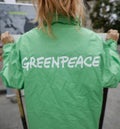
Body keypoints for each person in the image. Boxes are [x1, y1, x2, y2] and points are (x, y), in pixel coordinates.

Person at [0, 0, 120, 129]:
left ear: (41, 6)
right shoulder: (94, 41)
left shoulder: (25, 42)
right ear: (76, 5)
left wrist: (8, 48)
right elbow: (111, 77)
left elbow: (13, 79)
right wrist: (111, 45)